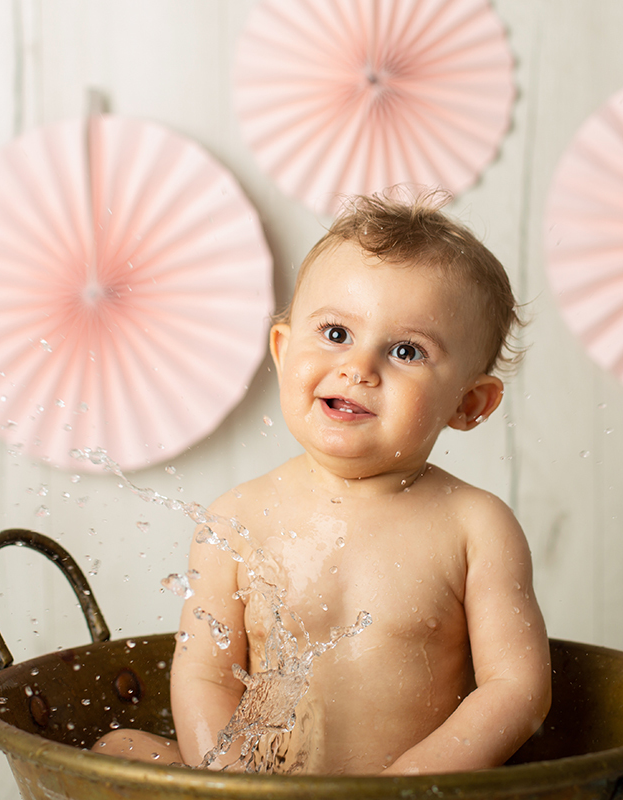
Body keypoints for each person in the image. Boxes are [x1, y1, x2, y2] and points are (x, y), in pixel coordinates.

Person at [93, 191, 551, 775]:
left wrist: (410, 783)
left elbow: (516, 689)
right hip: (262, 789)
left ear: (469, 402)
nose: (359, 367)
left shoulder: (475, 526)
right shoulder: (237, 518)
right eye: (336, 334)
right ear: (284, 351)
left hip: (411, 796)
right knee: (119, 749)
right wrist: (229, 778)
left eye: (406, 350)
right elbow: (205, 672)